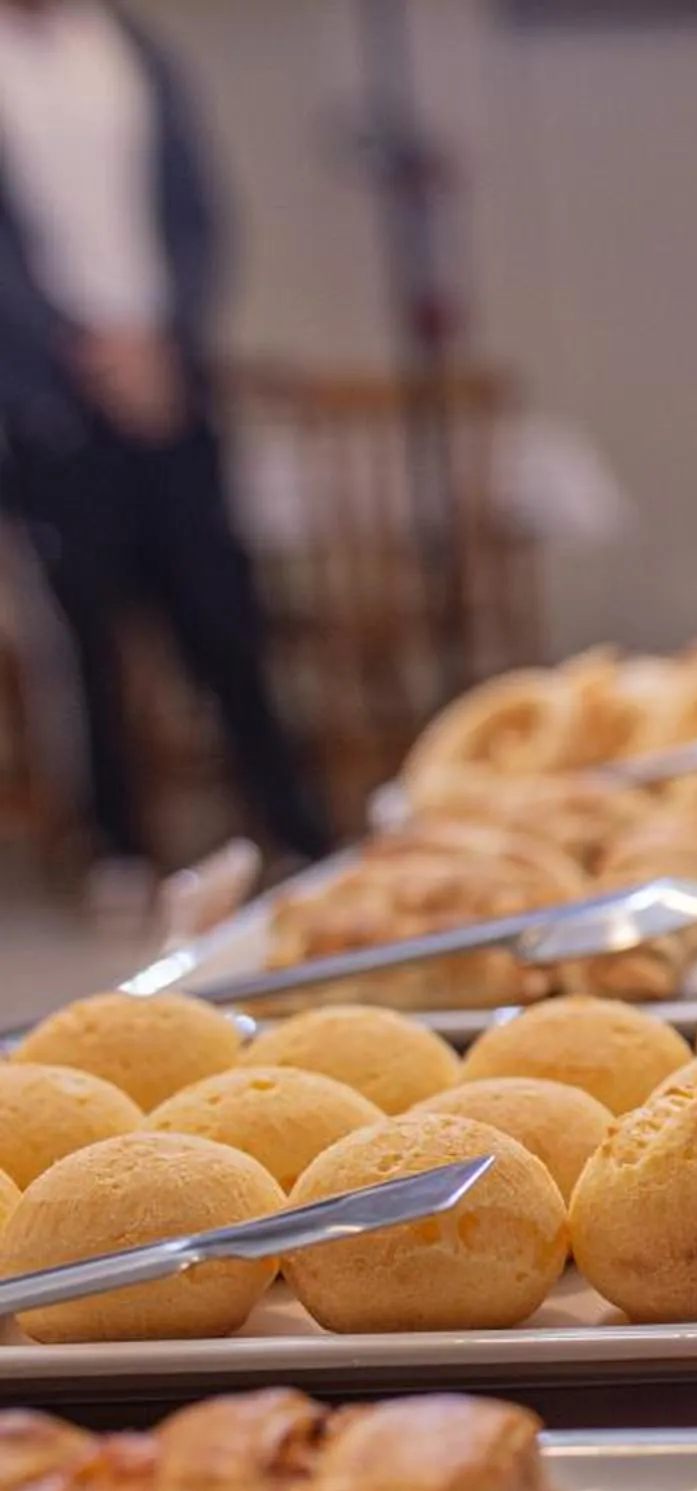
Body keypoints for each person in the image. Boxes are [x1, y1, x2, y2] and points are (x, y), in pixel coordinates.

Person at [0, 0, 329, 903]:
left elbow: (195, 213)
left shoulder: (128, 45)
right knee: (89, 638)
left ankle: (294, 826)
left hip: (169, 378)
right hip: (51, 400)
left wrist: (165, 339)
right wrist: (80, 349)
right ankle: (118, 847)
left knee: (224, 616)